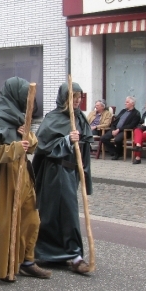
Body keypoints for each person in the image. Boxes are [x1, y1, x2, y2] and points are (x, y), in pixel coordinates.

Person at [0, 77, 51, 282]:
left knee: (31, 218)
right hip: (5, 175)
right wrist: (17, 148)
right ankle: (4, 264)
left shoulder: (20, 117)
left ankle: (27, 260)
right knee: (7, 220)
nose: (27, 100)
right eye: (24, 95)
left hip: (24, 173)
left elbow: (34, 146)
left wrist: (27, 135)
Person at [32, 82, 93, 274]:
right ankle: (72, 255)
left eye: (78, 97)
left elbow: (84, 147)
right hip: (55, 171)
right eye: (72, 97)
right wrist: (67, 140)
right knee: (58, 212)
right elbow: (43, 145)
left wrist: (84, 170)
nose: (76, 101)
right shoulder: (54, 118)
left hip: (71, 171)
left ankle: (64, 253)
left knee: (65, 211)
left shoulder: (80, 118)